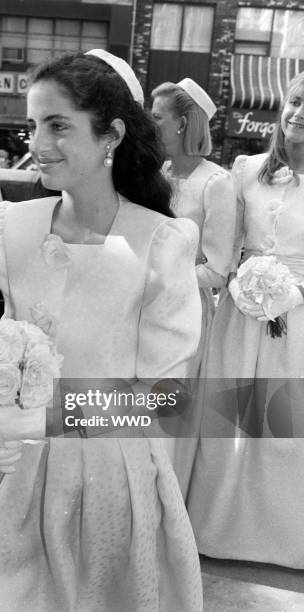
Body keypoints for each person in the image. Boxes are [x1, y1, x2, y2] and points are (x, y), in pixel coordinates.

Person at [0, 50, 203, 611]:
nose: (37, 143)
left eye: (58, 125)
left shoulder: (161, 243)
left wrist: (47, 416)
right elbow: (5, 348)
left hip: (110, 477)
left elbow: (165, 395)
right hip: (14, 477)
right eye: (32, 125)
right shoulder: (12, 230)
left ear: (111, 135)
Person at [187, 71, 304, 569]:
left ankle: (282, 539)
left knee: (284, 425)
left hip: (296, 319)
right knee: (227, 416)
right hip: (239, 312)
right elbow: (225, 246)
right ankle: (214, 530)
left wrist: (292, 293)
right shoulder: (246, 170)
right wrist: (238, 283)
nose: (299, 113)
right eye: (296, 101)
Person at [151, 79, 236, 498]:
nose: (150, 125)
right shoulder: (158, 173)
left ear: (184, 123)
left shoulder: (216, 183)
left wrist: (164, 276)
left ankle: (168, 507)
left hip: (187, 312)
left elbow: (219, 269)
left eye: (157, 117)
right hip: (147, 308)